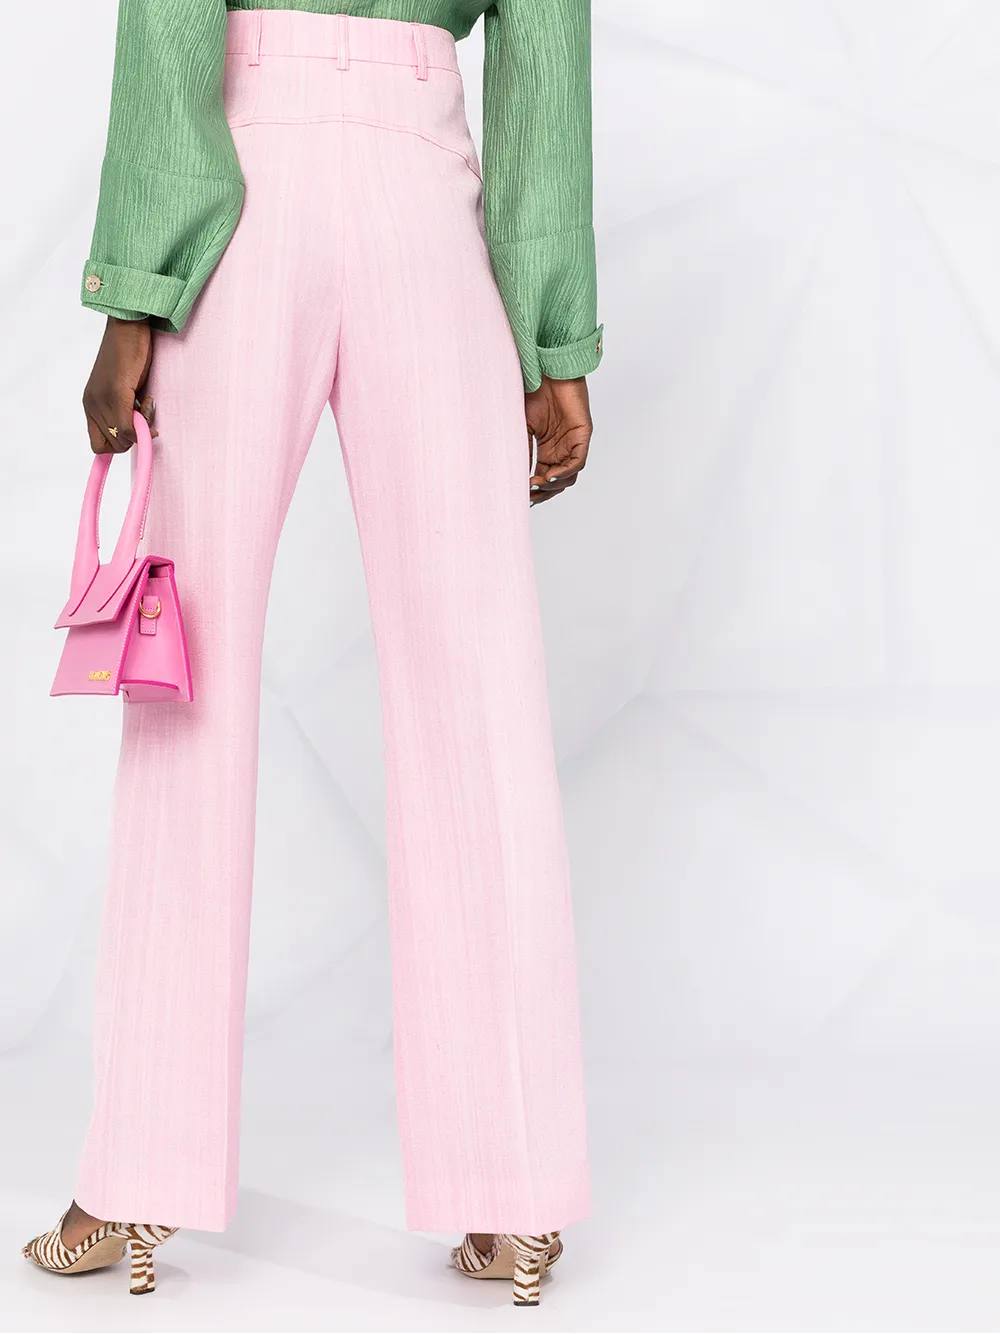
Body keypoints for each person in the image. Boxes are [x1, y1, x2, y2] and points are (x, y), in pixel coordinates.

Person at [22, 0, 601, 1308]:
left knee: (187, 682)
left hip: (248, 176)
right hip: (418, 181)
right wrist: (552, 332)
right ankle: (511, 1192)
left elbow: (172, 21)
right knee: (475, 688)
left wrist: (138, 286)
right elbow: (542, 45)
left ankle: (137, 1177)